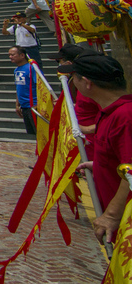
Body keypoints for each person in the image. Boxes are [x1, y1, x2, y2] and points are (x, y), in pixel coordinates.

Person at [63, 54, 132, 245]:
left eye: (74, 78)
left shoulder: (125, 116)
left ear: (87, 83)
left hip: (126, 220)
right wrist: (101, 164)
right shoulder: (108, 113)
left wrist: (111, 215)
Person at [9, 46, 38, 135]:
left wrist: (38, 104)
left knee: (39, 132)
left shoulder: (32, 68)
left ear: (22, 55)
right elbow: (19, 87)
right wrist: (17, 104)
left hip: (33, 106)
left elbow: (39, 86)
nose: (10, 57)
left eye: (13, 54)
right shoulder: (16, 70)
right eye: (9, 55)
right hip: (24, 106)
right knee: (32, 132)